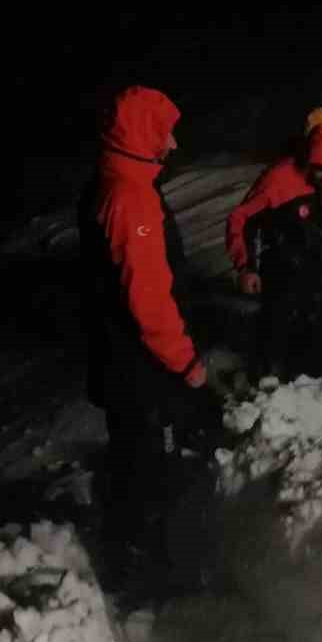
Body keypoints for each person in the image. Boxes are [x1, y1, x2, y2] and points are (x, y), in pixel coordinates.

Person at [79, 85, 217, 596]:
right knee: (150, 465)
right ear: (142, 134)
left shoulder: (111, 179)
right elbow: (148, 300)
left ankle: (133, 557)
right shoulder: (130, 196)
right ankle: (152, 578)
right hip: (140, 366)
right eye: (166, 132)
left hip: (121, 359)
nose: (175, 144)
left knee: (134, 459)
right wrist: (187, 365)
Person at [225, 121, 322, 379]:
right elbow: (241, 220)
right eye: (321, 169)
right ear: (310, 159)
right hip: (283, 268)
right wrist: (245, 266)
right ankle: (274, 385)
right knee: (280, 336)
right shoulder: (279, 179)